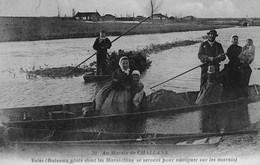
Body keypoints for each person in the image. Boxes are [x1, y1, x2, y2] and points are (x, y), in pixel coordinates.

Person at [221, 35, 243, 99]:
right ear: (231, 40)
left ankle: (238, 94)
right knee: (226, 76)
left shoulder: (240, 48)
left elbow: (242, 56)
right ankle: (228, 93)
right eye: (234, 39)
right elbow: (231, 57)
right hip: (232, 64)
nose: (235, 41)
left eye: (236, 39)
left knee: (238, 78)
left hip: (238, 64)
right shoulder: (230, 48)